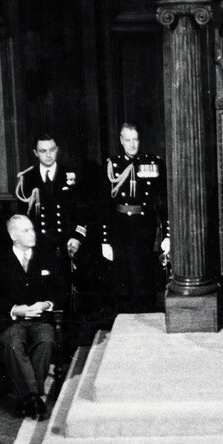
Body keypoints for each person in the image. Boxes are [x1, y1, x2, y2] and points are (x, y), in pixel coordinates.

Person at [0, 215, 61, 418]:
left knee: (46, 341)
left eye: (32, 229)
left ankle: (28, 397)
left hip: (40, 319)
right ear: (12, 235)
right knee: (13, 345)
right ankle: (34, 397)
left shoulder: (47, 258)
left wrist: (45, 304)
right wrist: (16, 309)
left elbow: (59, 291)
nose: (32, 234)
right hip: (12, 321)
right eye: (26, 231)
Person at [102, 123, 169, 313]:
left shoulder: (154, 163)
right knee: (123, 277)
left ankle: (144, 318)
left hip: (145, 227)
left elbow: (162, 202)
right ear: (121, 141)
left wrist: (167, 234)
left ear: (140, 141)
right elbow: (105, 205)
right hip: (120, 227)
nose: (132, 145)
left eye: (135, 140)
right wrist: (105, 240)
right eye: (127, 140)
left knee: (144, 275)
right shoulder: (112, 165)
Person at [15, 133, 89, 261]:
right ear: (35, 153)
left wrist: (77, 237)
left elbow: (83, 212)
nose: (48, 155)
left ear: (57, 149)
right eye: (43, 151)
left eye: (52, 150)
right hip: (38, 246)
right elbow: (23, 217)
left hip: (68, 245)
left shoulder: (71, 175)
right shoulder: (27, 179)